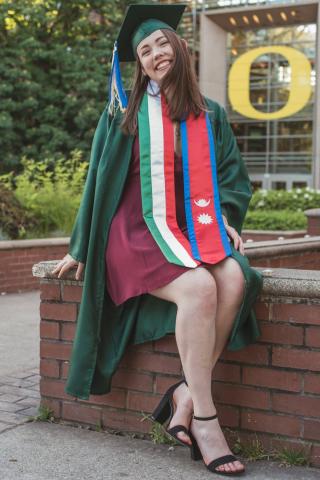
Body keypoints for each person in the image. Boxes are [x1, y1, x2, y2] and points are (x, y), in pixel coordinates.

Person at [53, 3, 263, 476]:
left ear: (179, 48)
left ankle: (184, 393)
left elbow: (230, 177)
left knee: (233, 279)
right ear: (139, 64)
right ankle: (205, 420)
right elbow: (97, 182)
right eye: (144, 50)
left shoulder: (210, 115)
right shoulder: (121, 116)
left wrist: (228, 217)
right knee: (200, 288)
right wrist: (80, 246)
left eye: (161, 43)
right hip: (132, 233)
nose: (154, 54)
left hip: (192, 229)